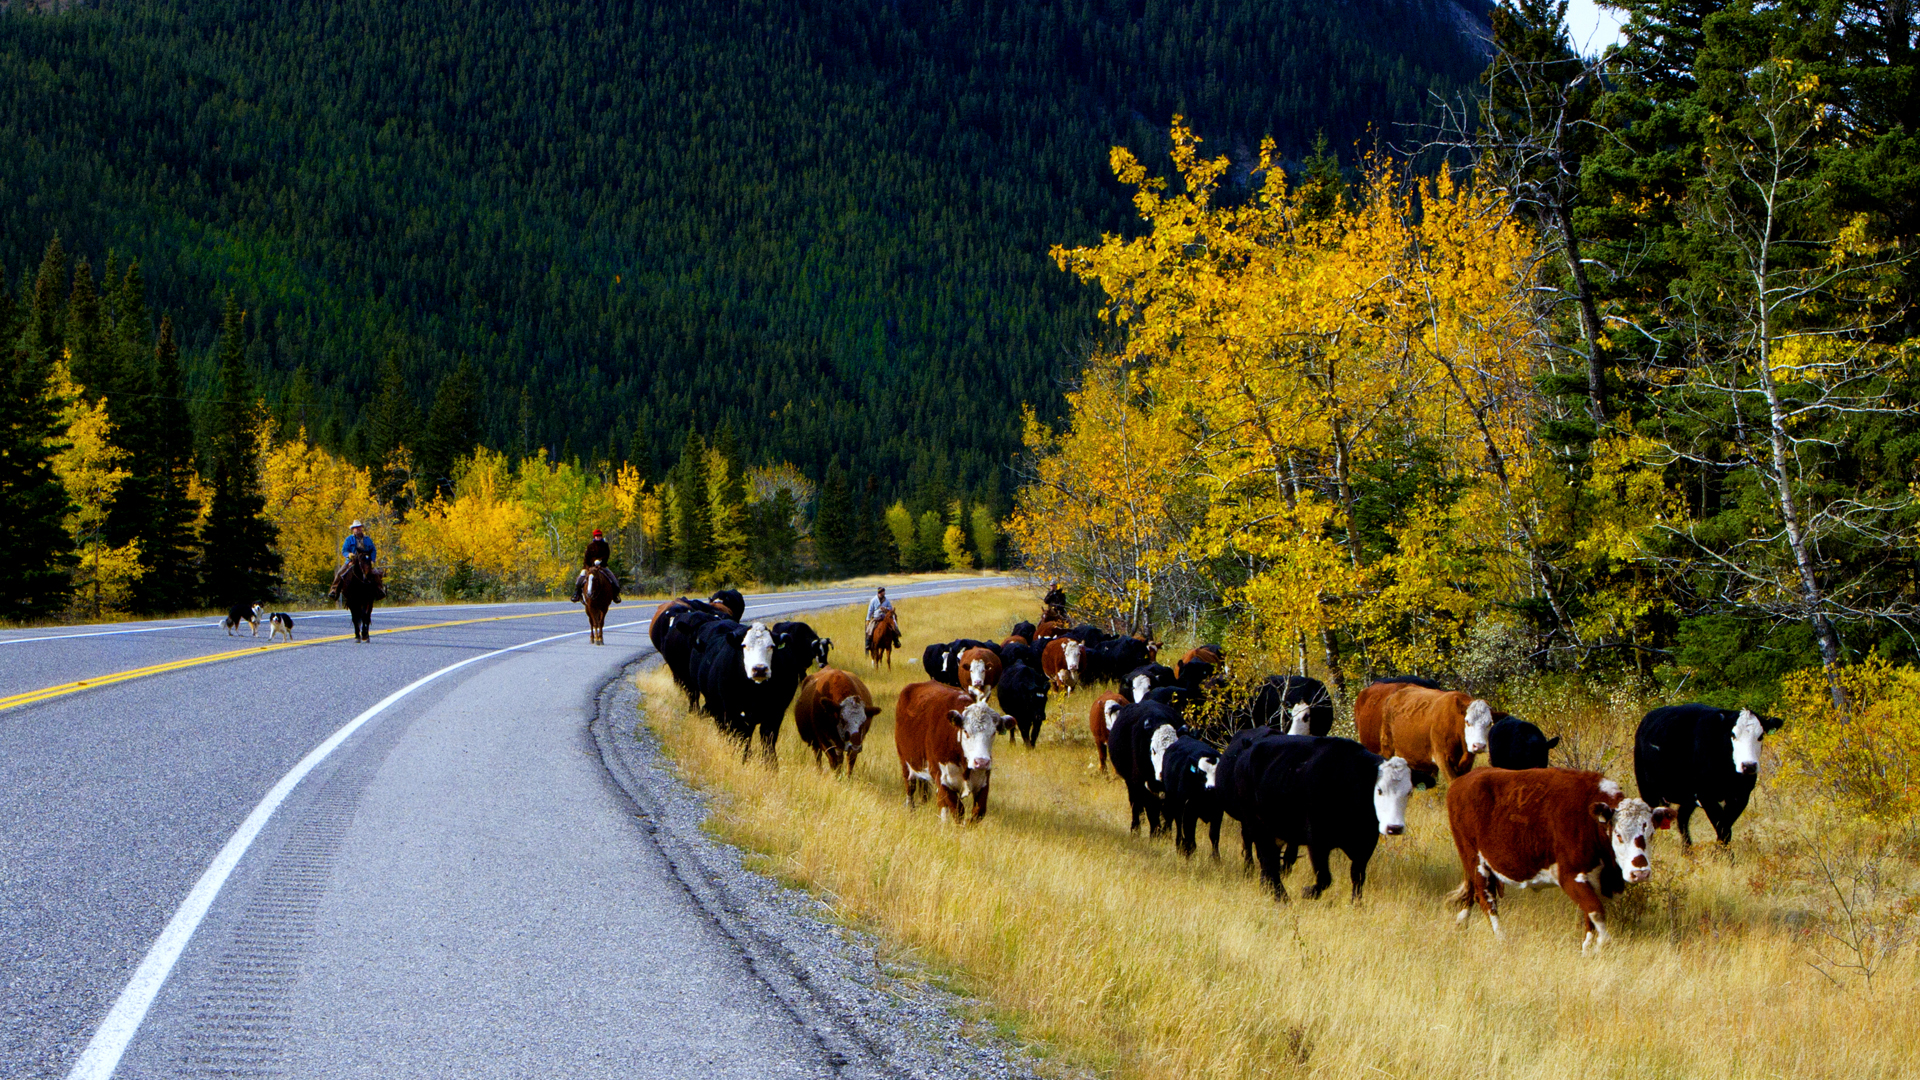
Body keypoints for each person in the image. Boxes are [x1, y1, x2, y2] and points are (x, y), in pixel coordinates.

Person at [330, 520, 383, 599]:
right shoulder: (349, 539)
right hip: (352, 561)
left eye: (359, 527)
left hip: (366, 561)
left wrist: (372, 559)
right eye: (355, 528)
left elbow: (373, 550)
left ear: (361, 528)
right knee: (340, 573)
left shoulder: (367, 539)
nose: (357, 529)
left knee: (375, 573)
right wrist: (349, 554)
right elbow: (344, 550)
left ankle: (379, 590)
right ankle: (334, 590)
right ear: (353, 529)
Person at [572, 528, 620, 604]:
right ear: (594, 537)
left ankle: (615, 595)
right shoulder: (590, 546)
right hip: (589, 567)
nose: (598, 537)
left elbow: (606, 556)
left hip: (602, 567)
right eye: (596, 536)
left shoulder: (605, 545)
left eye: (599, 536)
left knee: (613, 579)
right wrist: (588, 567)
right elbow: (586, 558)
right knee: (580, 579)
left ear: (601, 537)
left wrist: (600, 562)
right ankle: (576, 594)